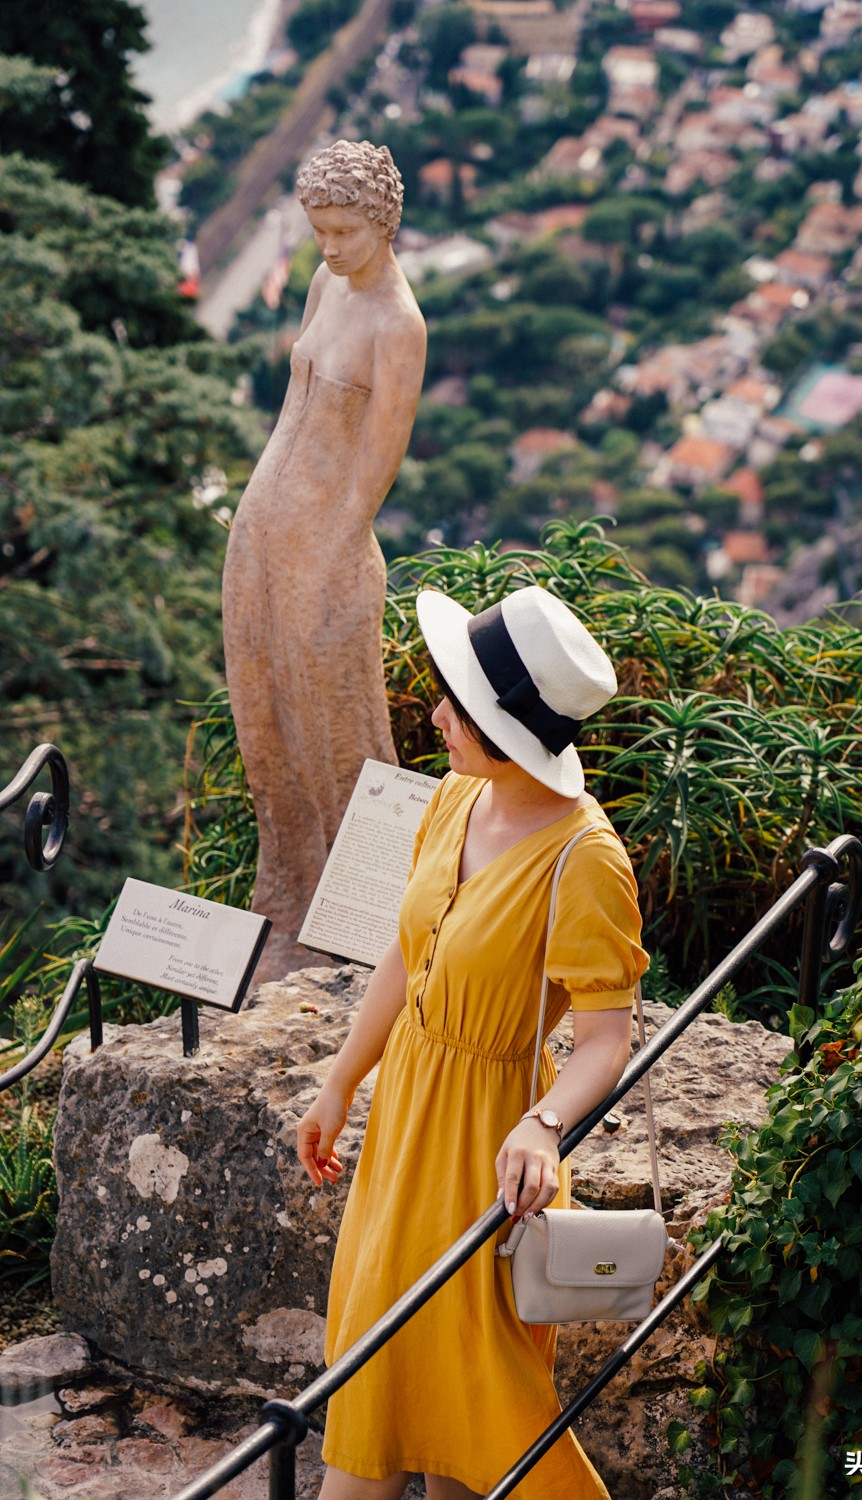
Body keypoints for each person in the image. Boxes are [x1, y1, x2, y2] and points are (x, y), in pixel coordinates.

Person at [297, 584, 649, 1499]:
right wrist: (340, 1082)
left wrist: (542, 1122)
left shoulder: (586, 859)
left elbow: (609, 1038)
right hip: (402, 1132)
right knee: (378, 1386)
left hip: (486, 1152)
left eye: (462, 703)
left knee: (472, 1425)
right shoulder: (457, 797)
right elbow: (403, 950)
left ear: (514, 728)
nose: (437, 713)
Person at [222, 140, 426, 985]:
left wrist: (324, 557)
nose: (330, 248)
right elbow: (287, 418)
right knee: (264, 721)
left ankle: (366, 920)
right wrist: (254, 525)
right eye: (319, 232)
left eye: (344, 231)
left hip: (329, 553)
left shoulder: (398, 326)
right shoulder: (323, 285)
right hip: (265, 528)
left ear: (381, 220)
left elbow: (372, 475)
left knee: (339, 734)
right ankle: (288, 898)